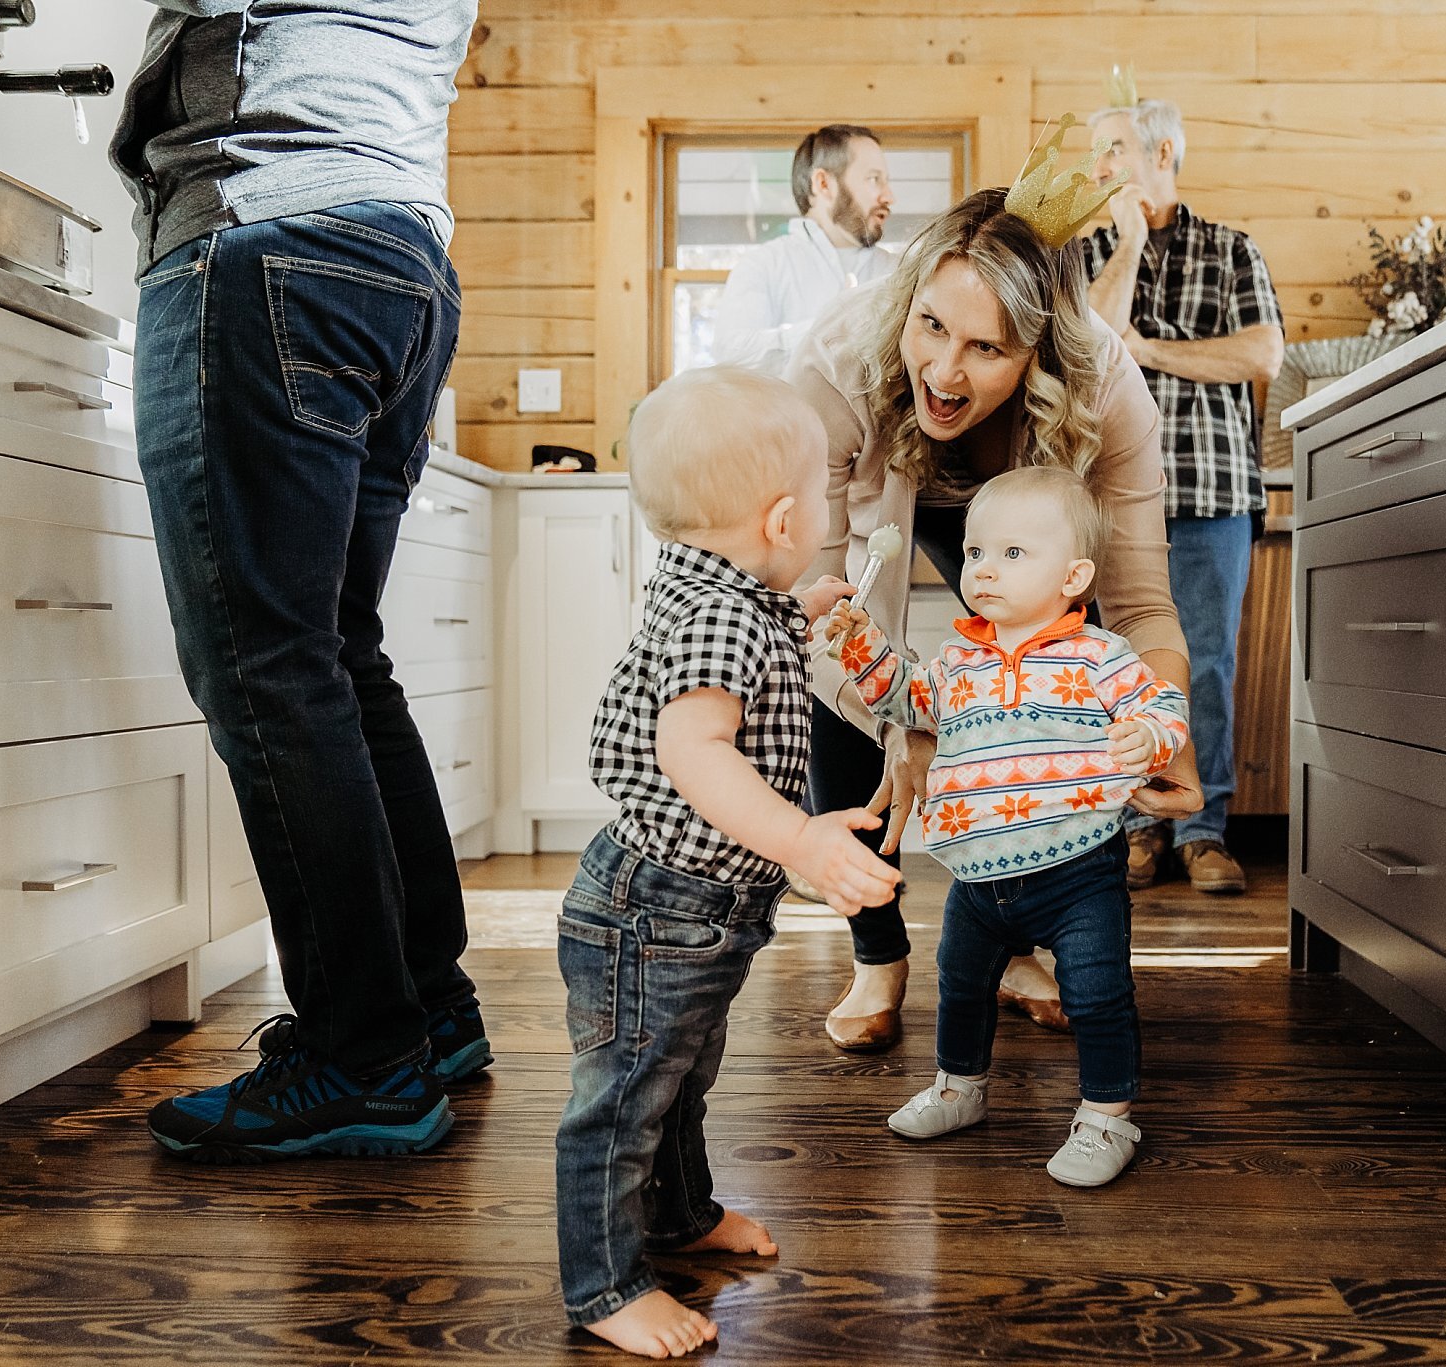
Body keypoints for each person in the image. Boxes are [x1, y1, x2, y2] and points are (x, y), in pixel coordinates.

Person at [111, 0, 487, 1160]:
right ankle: (423, 1007)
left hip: (267, 232)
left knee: (271, 668)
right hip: (401, 256)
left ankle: (363, 1054)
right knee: (333, 656)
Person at [787, 182, 1205, 1054]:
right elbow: (820, 607)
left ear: (1039, 352)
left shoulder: (1107, 392)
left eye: (986, 348)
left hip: (1028, 500)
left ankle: (1012, 940)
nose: (943, 373)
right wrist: (907, 723)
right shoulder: (834, 366)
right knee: (856, 666)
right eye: (931, 326)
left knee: (1045, 669)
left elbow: (1141, 606)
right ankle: (878, 952)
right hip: (892, 502)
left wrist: (1161, 724)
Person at [557, 366, 901, 1357]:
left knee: (674, 1079)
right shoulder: (720, 616)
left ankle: (676, 1218)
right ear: (784, 514)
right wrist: (799, 839)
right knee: (623, 1100)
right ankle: (604, 1283)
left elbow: (742, 633)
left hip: (686, 904)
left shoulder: (722, 586)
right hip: (656, 906)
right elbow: (692, 747)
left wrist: (804, 606)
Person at [827, 467, 1189, 1186]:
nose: (985, 569)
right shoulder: (957, 661)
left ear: (1075, 575)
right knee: (960, 982)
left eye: (1013, 555)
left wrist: (1149, 737)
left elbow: (1163, 704)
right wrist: (861, 642)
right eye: (974, 553)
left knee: (1096, 989)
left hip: (1078, 865)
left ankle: (1108, 1115)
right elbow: (905, 700)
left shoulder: (1099, 656)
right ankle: (960, 1087)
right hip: (976, 874)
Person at [1084, 97, 1285, 896]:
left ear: (1164, 150)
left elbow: (1262, 351)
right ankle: (1138, 828)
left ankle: (1204, 832)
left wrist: (1151, 351)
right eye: (1096, 153)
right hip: (1115, 495)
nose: (1101, 167)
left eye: (1115, 149)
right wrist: (1128, 243)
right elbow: (1095, 351)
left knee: (1205, 664)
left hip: (1212, 487)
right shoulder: (1092, 254)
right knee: (1120, 666)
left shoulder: (1232, 249)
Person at [712, 124, 896, 376]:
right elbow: (730, 357)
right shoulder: (763, 265)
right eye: (874, 179)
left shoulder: (899, 273)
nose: (889, 196)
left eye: (886, 182)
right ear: (823, 184)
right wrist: (828, 332)